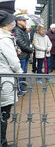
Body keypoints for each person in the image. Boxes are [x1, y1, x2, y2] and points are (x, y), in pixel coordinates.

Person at [0, 10, 22, 147]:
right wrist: (20, 73)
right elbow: (13, 62)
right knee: (4, 113)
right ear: (8, 24)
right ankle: (2, 143)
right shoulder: (4, 39)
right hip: (5, 79)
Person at [13, 15, 33, 96]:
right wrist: (30, 50)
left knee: (23, 72)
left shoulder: (23, 30)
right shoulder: (17, 30)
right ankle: (18, 89)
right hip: (21, 55)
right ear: (18, 21)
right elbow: (20, 43)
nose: (25, 22)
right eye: (24, 20)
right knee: (20, 73)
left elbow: (27, 41)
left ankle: (21, 86)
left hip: (25, 54)